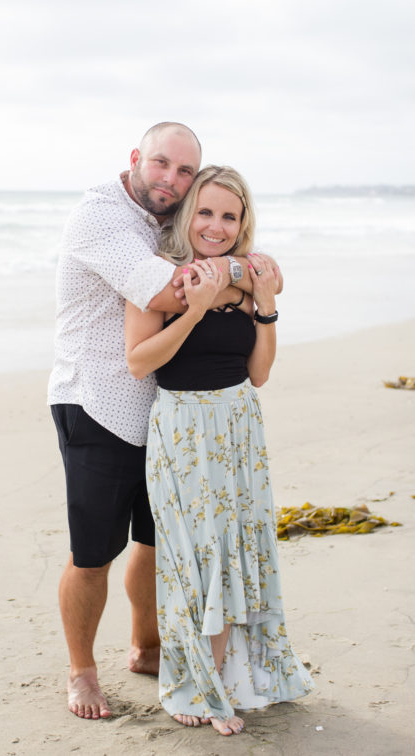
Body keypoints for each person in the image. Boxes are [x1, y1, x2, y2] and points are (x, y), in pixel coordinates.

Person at [47, 124, 282, 721]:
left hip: (163, 414)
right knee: (93, 552)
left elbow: (201, 259)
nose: (171, 181)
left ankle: (147, 647)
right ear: (135, 159)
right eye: (161, 165)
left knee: (156, 545)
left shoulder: (165, 218)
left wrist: (248, 278)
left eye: (185, 172)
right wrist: (246, 275)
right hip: (97, 402)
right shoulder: (104, 219)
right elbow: (170, 291)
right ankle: (82, 672)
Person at [125, 166, 314, 736]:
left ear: (242, 222)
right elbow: (139, 362)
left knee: (236, 552)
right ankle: (191, 685)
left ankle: (225, 679)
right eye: (204, 212)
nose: (215, 225)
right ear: (187, 215)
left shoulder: (247, 277)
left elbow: (257, 374)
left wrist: (262, 304)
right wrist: (196, 308)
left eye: (228, 216)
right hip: (182, 428)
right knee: (193, 559)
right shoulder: (158, 278)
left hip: (239, 427)